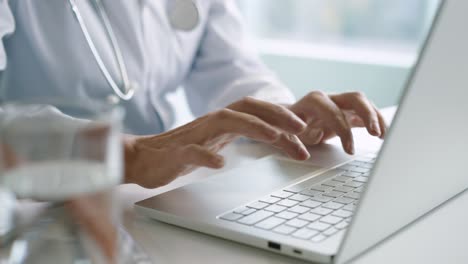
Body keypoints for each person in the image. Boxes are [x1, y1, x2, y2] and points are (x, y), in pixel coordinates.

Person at [0, 0, 386, 190]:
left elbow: (228, 65)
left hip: (154, 200)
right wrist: (125, 156)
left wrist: (285, 119)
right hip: (30, 207)